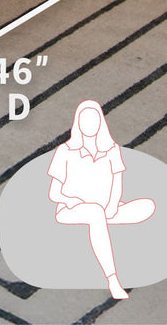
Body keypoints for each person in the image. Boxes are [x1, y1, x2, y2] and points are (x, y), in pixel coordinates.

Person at [47, 100, 156, 299]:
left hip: (105, 208)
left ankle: (101, 223)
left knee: (147, 206)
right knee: (95, 213)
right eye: (85, 120)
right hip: (72, 208)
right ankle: (112, 278)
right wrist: (72, 201)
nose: (90, 125)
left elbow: (117, 183)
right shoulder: (65, 151)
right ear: (78, 123)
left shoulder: (112, 150)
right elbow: (54, 193)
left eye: (94, 120)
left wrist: (112, 205)